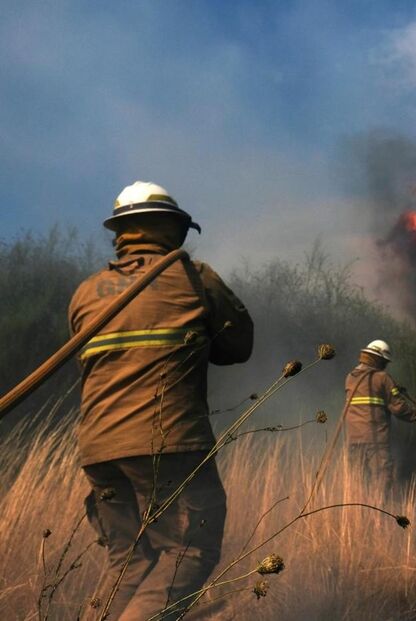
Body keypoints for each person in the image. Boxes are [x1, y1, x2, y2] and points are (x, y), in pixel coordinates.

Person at [69, 181, 253, 620]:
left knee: (128, 561)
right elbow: (238, 347)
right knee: (189, 550)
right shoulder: (195, 278)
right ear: (173, 228)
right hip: (168, 443)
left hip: (98, 450)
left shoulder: (85, 293)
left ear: (121, 232)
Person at [344, 339, 416, 487]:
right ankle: (379, 503)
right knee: (382, 479)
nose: (385, 365)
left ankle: (357, 502)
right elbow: (399, 408)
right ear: (378, 359)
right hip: (375, 439)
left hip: (353, 439)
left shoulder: (351, 377)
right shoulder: (383, 378)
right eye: (384, 362)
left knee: (358, 481)